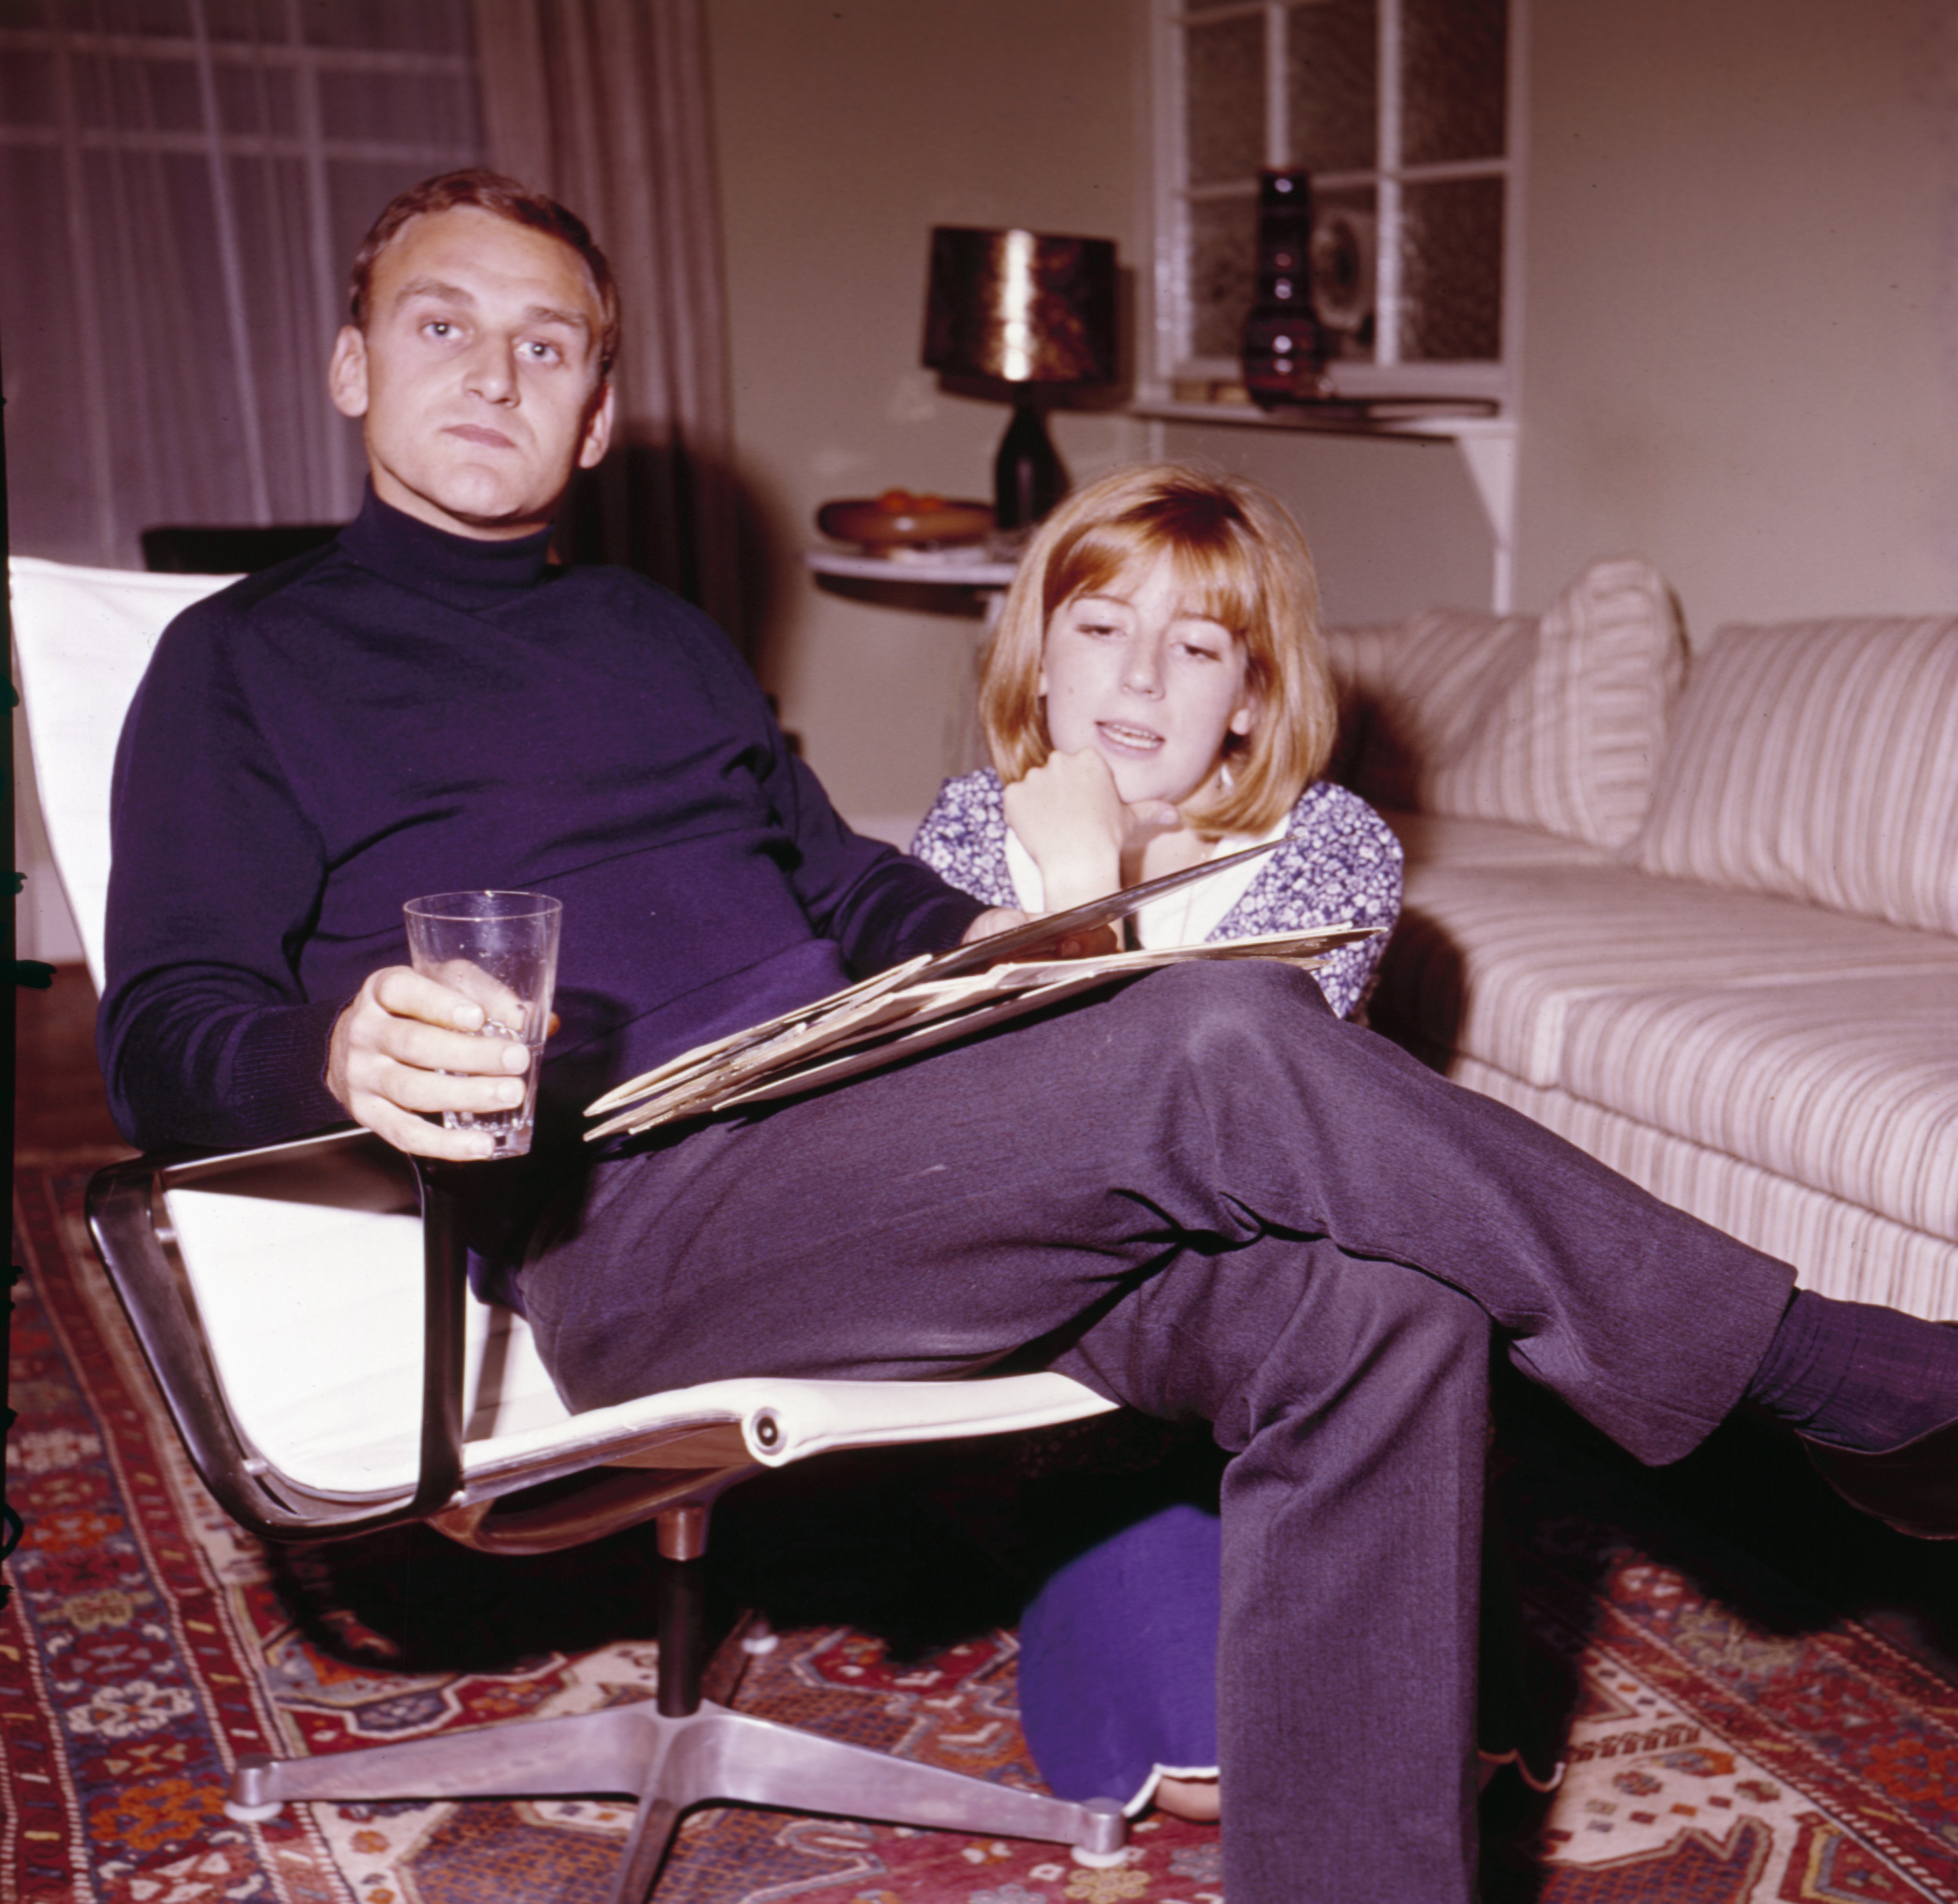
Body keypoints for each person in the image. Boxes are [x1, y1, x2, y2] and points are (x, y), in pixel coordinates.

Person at [100, 170, 1958, 1904]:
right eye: (444, 325)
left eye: (548, 343)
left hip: (887, 1133)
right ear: (353, 365)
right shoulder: (241, 664)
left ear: (597, 410)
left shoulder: (659, 641)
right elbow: (170, 1025)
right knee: (1215, 1041)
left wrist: (1007, 961)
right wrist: (341, 1058)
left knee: (1376, 1309)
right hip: (630, 1222)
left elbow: (846, 889)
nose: (494, 371)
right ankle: (1826, 1374)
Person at [911, 461, 1401, 1822]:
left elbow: (1225, 1153)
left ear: (1248, 696)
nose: (1137, 678)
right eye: (1101, 627)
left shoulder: (1334, 850)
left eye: (1193, 647)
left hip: (1272, 1357)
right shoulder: (967, 831)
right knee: (1209, 1777)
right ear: (1041, 652)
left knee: (1384, 1736)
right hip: (1079, 1374)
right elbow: (1031, 1175)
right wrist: (1075, 880)